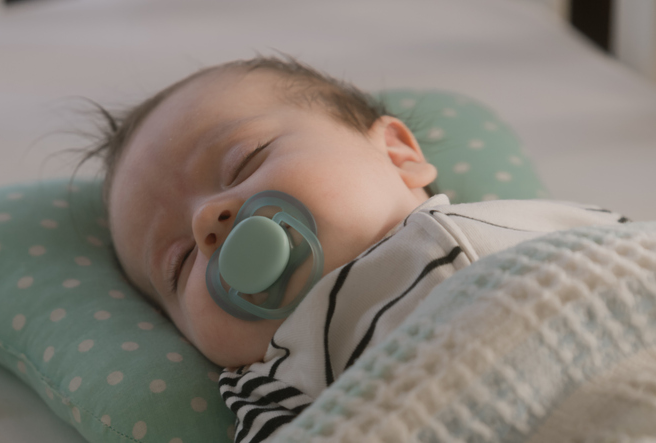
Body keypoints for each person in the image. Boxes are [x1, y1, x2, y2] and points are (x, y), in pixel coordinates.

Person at [79, 55, 629, 442]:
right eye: (178, 263)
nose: (206, 222)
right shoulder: (273, 385)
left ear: (397, 153)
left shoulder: (536, 220)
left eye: (242, 163)